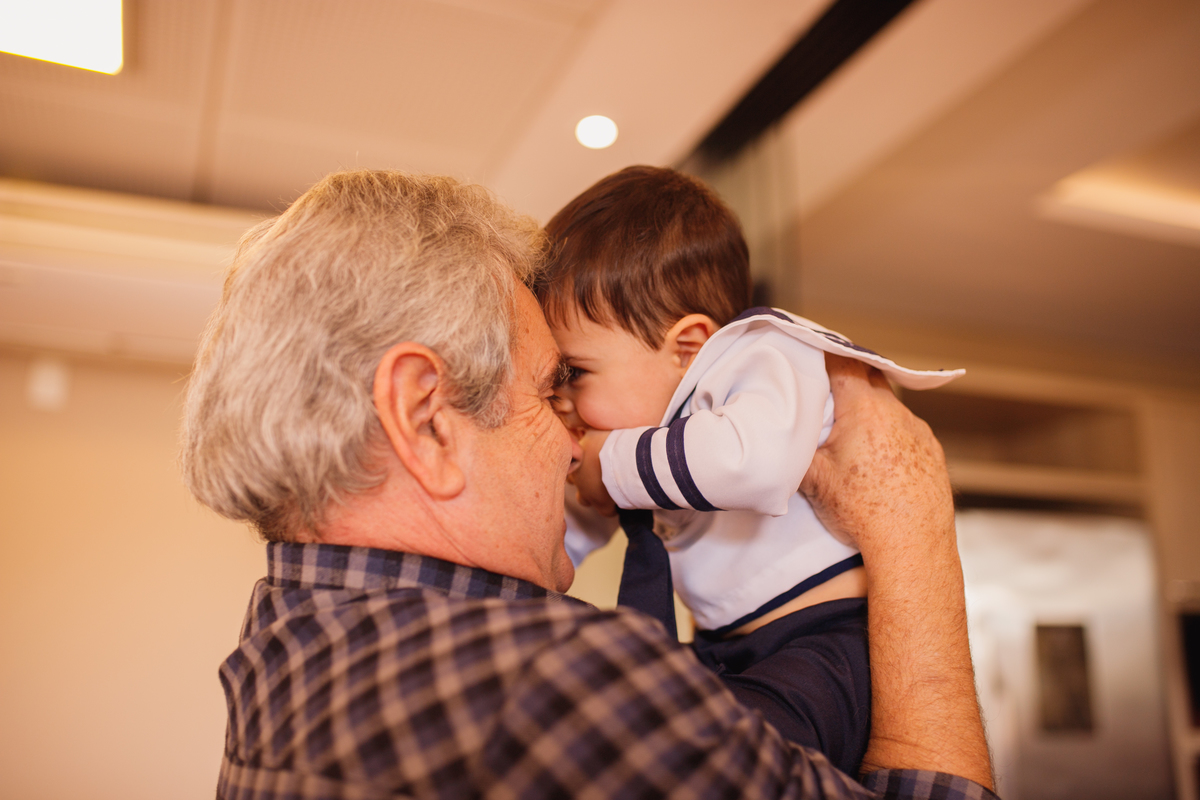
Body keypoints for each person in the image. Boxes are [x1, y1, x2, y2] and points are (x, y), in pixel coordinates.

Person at [181, 169, 994, 799]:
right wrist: (911, 520)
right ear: (426, 419)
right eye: (549, 390)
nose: (578, 445)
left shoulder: (279, 640)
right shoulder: (555, 687)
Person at [534, 166, 962, 773]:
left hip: (826, 637)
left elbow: (753, 465)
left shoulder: (766, 354)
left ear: (688, 347)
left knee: (726, 761)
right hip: (728, 643)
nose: (562, 400)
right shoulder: (658, 433)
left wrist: (609, 465)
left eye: (575, 373)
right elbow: (581, 520)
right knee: (638, 722)